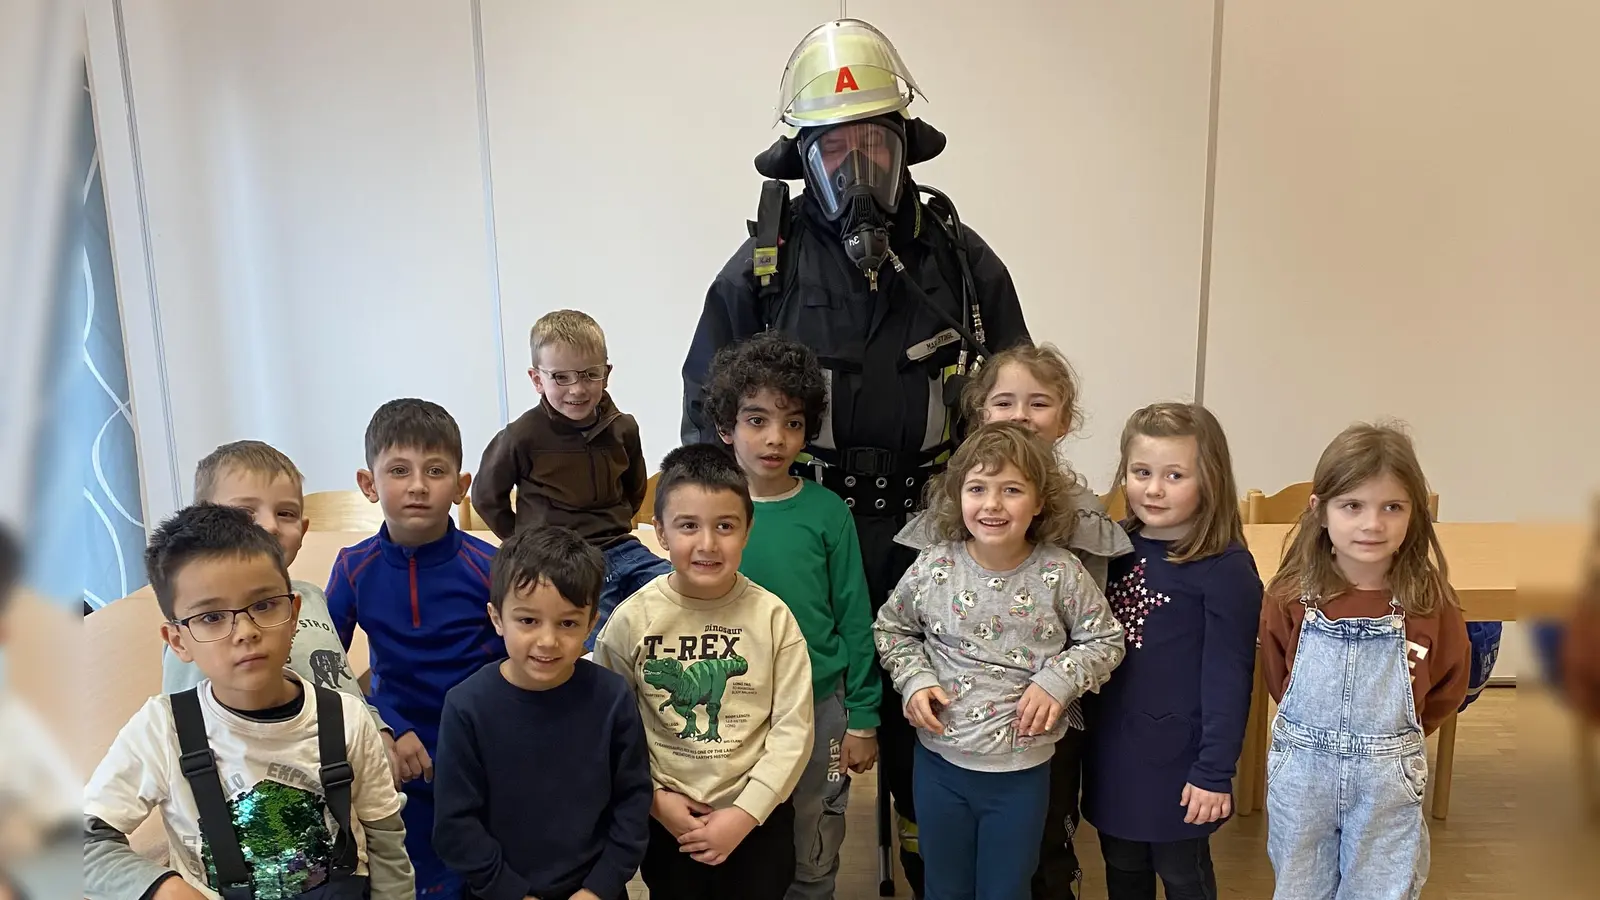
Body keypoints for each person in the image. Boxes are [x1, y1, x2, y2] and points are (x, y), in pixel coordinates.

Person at [680, 19, 1032, 893]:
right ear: (802, 156)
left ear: (904, 145)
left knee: (934, 710)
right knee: (787, 699)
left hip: (936, 530)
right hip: (805, 528)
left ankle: (928, 866)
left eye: (872, 143)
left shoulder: (957, 257)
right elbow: (704, 413)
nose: (854, 169)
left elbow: (1016, 400)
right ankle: (783, 869)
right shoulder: (765, 267)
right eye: (832, 149)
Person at [894, 341, 1132, 898]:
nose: (1021, 415)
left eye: (1039, 403)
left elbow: (1096, 630)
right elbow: (906, 622)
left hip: (1039, 731)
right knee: (949, 874)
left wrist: (1059, 680)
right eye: (1005, 402)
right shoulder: (947, 537)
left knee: (1037, 856)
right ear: (980, 412)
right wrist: (917, 677)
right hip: (949, 746)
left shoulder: (1069, 543)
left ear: (1065, 418)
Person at [84, 504, 413, 900]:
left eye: (263, 605)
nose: (245, 631)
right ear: (177, 641)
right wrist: (163, 888)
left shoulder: (346, 718)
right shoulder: (161, 730)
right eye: (211, 617)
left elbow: (387, 844)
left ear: (293, 614)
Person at [703, 333, 880, 900]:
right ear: (727, 428)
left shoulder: (827, 512)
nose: (776, 438)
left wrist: (862, 717)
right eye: (756, 420)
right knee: (741, 835)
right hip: (733, 705)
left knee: (814, 837)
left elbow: (855, 616)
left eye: (793, 423)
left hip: (820, 703)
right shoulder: (708, 513)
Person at [594, 444, 814, 900]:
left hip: (758, 818)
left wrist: (745, 813)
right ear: (660, 532)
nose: (708, 544)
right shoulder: (631, 620)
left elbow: (793, 730)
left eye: (725, 526)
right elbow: (610, 728)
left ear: (747, 530)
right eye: (688, 526)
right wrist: (656, 800)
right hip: (668, 819)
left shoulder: (774, 619)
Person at [1259, 423, 1470, 900]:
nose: (1372, 524)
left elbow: (1448, 686)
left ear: (1415, 514)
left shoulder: (1430, 602)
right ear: (1320, 510)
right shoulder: (1291, 596)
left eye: (1391, 507)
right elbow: (1278, 675)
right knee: (1299, 888)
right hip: (1303, 779)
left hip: (1387, 786)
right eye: (1352, 505)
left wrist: (1392, 744)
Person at [1081, 404, 1263, 900]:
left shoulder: (1225, 568)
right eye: (1142, 473)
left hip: (1181, 759)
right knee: (1121, 862)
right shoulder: (1115, 547)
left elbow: (1230, 679)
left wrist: (1213, 771)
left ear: (1211, 480)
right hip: (1114, 751)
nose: (1153, 489)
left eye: (1174, 475)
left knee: (1181, 869)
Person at [325, 399, 503, 897]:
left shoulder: (489, 566)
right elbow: (327, 668)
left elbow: (520, 663)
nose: (418, 486)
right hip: (397, 747)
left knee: (490, 867)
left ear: (461, 487)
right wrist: (386, 729)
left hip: (479, 742)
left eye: (436, 471)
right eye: (399, 471)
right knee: (419, 875)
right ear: (369, 484)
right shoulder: (353, 567)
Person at [433, 525, 652, 900]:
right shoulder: (466, 706)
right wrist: (511, 891)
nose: (548, 641)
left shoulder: (612, 697)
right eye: (528, 620)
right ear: (497, 618)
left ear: (592, 622)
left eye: (568, 623)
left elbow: (632, 804)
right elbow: (455, 826)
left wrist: (598, 888)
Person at [163, 441, 389, 743]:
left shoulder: (310, 597)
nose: (269, 526)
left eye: (286, 513)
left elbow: (341, 680)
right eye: (245, 512)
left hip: (355, 754)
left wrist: (378, 729)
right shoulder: (202, 624)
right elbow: (185, 728)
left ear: (303, 530)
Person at [472, 310, 671, 649]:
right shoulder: (521, 435)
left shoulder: (624, 428)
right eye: (560, 377)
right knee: (596, 641)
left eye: (589, 375)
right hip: (562, 560)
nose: (577, 389)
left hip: (621, 548)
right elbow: (486, 496)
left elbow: (635, 487)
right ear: (537, 380)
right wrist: (526, 542)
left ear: (606, 374)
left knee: (681, 594)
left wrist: (618, 521)